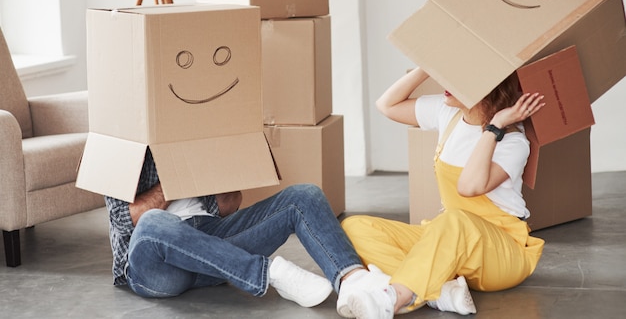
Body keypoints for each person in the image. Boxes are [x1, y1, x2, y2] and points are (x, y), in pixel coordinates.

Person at [339, 67, 546, 318]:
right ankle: (441, 291)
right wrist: (427, 66)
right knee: (354, 227)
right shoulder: (446, 111)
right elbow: (387, 105)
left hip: (500, 253)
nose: (446, 81)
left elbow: (468, 187)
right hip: (449, 239)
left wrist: (495, 126)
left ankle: (394, 298)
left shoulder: (513, 143)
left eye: (458, 78)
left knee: (455, 221)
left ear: (485, 89)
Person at [104, 148, 390, 312]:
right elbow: (125, 219)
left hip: (213, 243)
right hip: (158, 266)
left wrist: (223, 163)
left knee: (304, 195)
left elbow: (228, 204)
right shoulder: (120, 144)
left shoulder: (193, 131)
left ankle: (354, 282)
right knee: (154, 221)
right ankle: (268, 273)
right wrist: (175, 173)